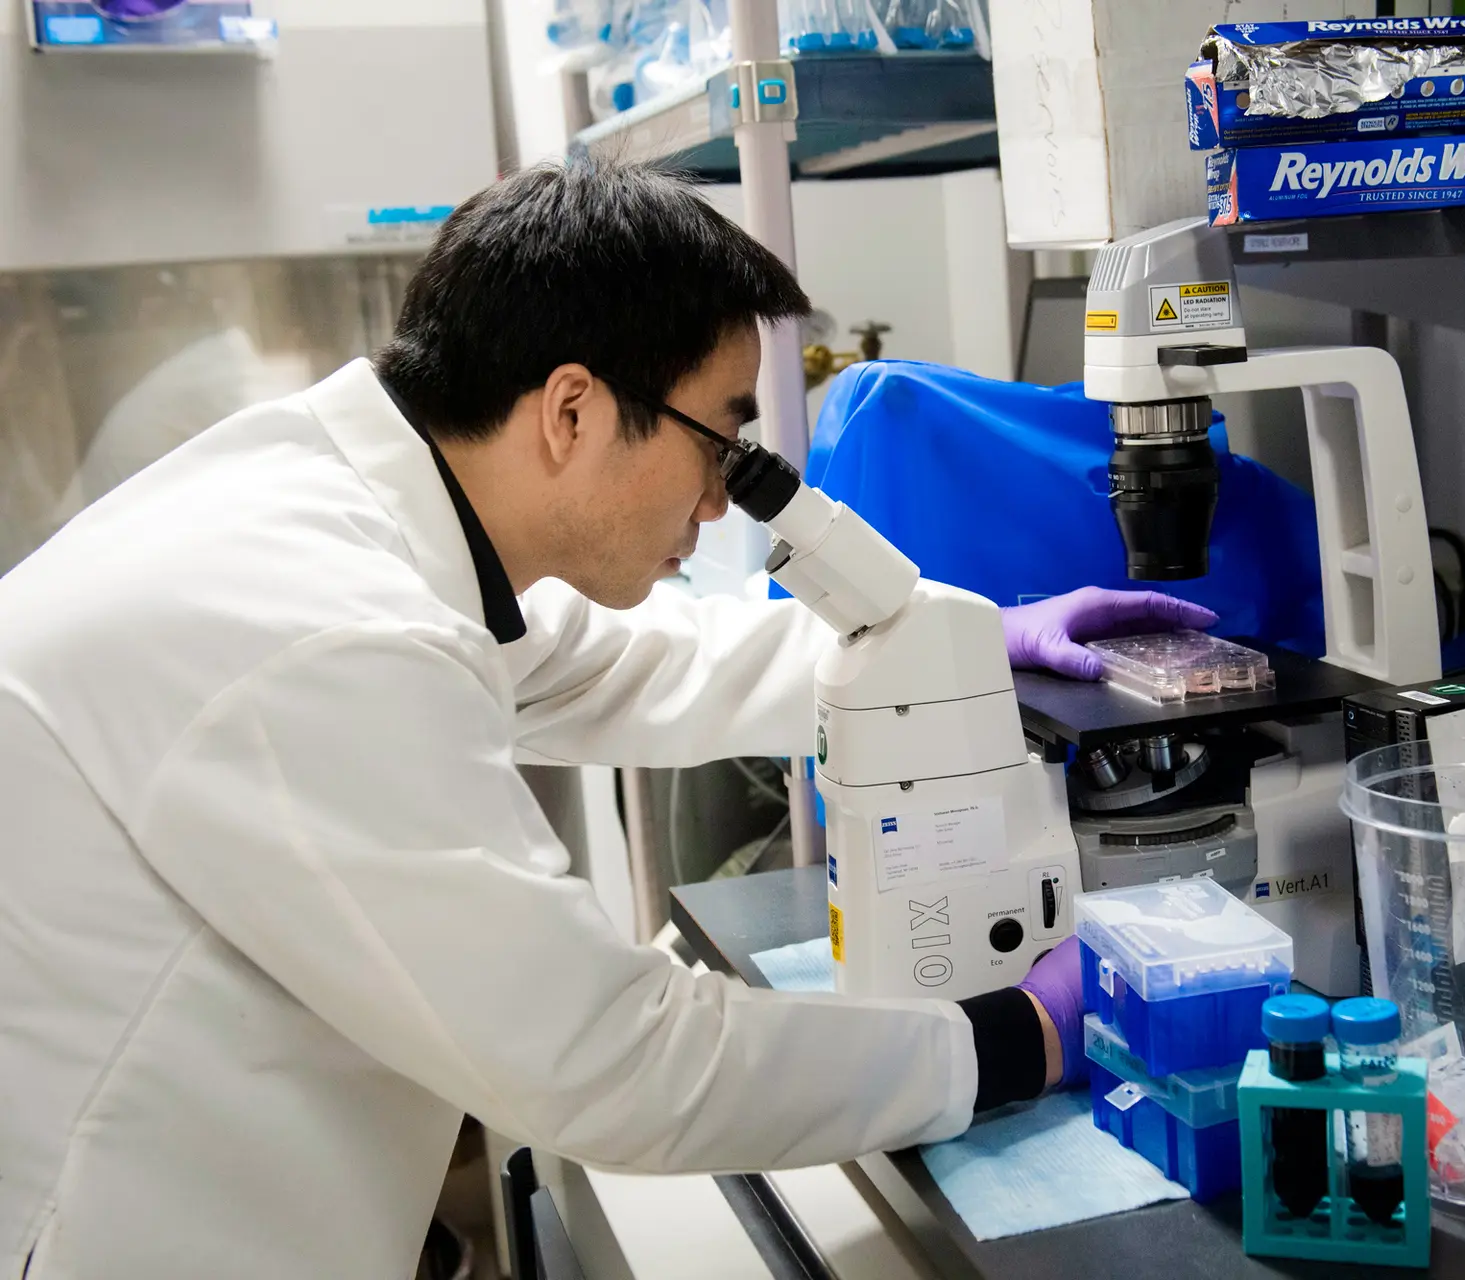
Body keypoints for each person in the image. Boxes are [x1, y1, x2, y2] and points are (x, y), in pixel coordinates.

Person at [0, 160, 1217, 1279]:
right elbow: (607, 1059)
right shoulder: (325, 629)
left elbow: (615, 660)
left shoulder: (354, 518)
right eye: (720, 436)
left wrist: (960, 649)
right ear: (572, 409)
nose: (720, 490)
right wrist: (1010, 1039)